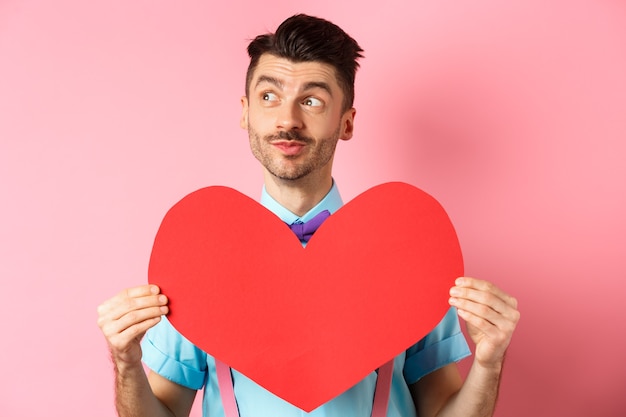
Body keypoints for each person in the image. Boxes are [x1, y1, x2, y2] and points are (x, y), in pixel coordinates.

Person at [97, 14, 520, 417]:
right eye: (269, 97)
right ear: (246, 112)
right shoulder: (200, 258)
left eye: (312, 101)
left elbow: (442, 410)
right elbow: (164, 410)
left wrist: (490, 364)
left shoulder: (410, 251)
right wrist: (126, 363)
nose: (288, 120)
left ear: (346, 122)